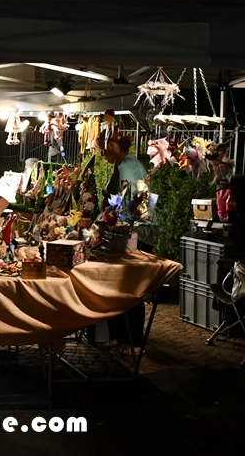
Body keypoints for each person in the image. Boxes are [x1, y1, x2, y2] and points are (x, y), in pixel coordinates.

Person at [97, 132, 158, 356]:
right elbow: (117, 199)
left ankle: (135, 342)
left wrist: (120, 220)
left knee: (131, 288)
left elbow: (140, 200)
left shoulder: (130, 167)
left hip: (141, 232)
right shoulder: (122, 165)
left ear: (114, 145)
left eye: (104, 147)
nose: (102, 153)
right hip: (130, 230)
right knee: (117, 285)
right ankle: (119, 336)